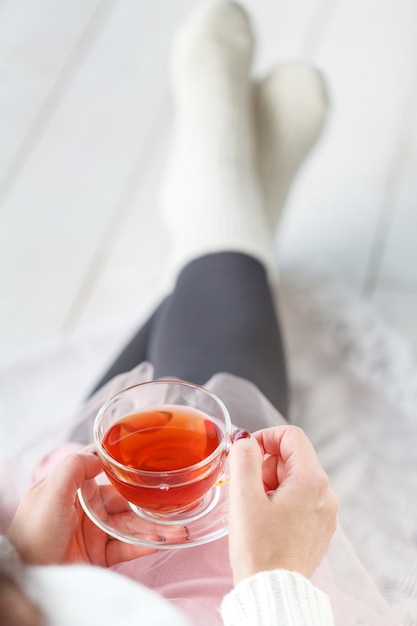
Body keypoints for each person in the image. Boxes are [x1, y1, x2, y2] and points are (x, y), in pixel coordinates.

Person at [0, 1, 396, 625]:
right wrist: (276, 586)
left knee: (139, 407)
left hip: (57, 573)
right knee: (219, 415)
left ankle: (219, 205)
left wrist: (24, 569)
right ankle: (221, 199)